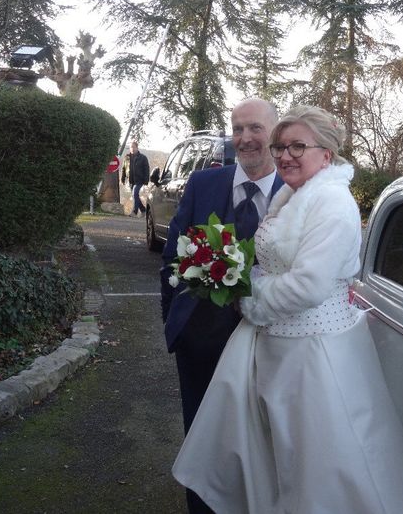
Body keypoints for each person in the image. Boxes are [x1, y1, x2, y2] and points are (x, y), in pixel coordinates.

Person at [172, 105, 403, 513]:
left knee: (317, 462)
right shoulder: (295, 196)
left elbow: (309, 284)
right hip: (279, 348)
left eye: (297, 147)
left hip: (315, 354)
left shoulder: (332, 203)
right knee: (281, 457)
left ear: (326, 154)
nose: (286, 155)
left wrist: (248, 297)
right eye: (280, 147)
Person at [160, 98, 284, 514]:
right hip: (201, 343)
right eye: (237, 129)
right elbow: (172, 259)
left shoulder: (297, 191)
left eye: (255, 128)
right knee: (202, 439)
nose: (244, 138)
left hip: (272, 344)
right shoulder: (203, 184)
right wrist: (174, 324)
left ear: (275, 133)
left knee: (264, 440)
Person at [121, 140, 150, 215]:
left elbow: (146, 170)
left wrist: (146, 181)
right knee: (135, 196)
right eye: (131, 147)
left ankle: (135, 212)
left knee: (135, 194)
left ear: (137, 148)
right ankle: (143, 210)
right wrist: (122, 179)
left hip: (139, 180)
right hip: (131, 181)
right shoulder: (127, 157)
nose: (132, 149)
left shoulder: (143, 158)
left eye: (134, 147)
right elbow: (124, 169)